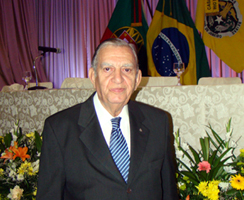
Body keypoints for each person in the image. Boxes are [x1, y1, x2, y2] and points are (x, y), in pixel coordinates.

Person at [36, 38, 179, 200]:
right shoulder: (60, 129)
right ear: (93, 76)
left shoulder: (158, 122)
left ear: (138, 78)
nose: (118, 78)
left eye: (127, 70)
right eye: (107, 69)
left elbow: (168, 191)